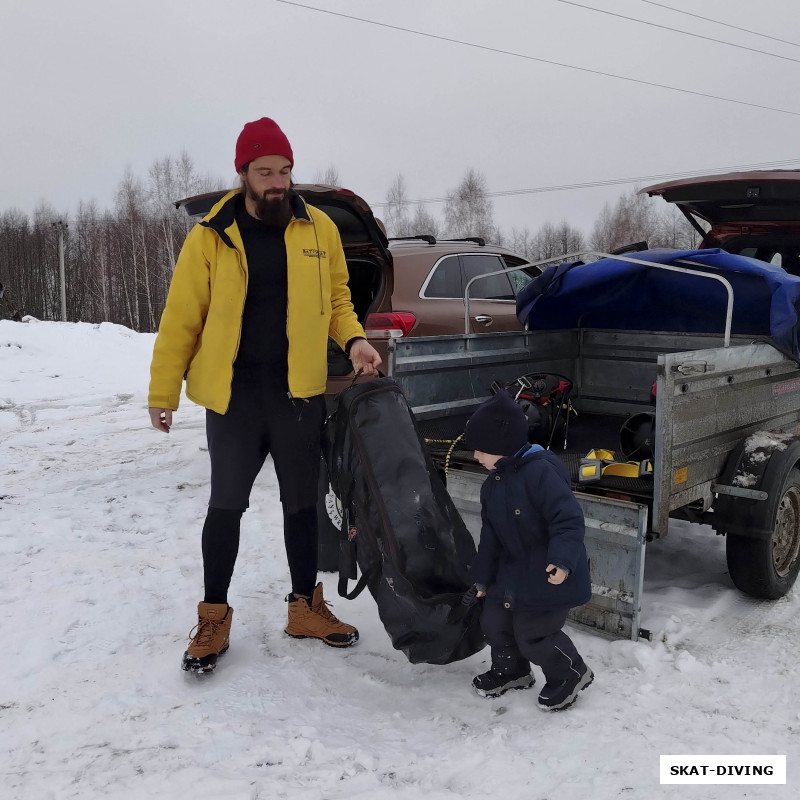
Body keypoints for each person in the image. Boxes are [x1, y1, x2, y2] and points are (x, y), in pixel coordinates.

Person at [148, 117, 382, 674]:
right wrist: (163, 391)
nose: (277, 182)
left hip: (297, 392)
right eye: (265, 172)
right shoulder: (210, 235)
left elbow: (339, 298)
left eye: (284, 170)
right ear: (243, 174)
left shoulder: (318, 228)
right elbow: (182, 317)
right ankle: (213, 619)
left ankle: (305, 608)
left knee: (302, 504)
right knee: (225, 506)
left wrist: (354, 340)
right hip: (233, 397)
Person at [463, 389, 594, 710]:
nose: (476, 456)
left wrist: (562, 561)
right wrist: (482, 579)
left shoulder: (542, 473)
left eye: (481, 449)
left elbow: (568, 521)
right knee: (494, 622)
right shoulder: (492, 484)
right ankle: (512, 670)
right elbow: (490, 535)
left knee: (533, 633)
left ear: (502, 445)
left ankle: (570, 672)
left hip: (548, 573)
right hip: (510, 573)